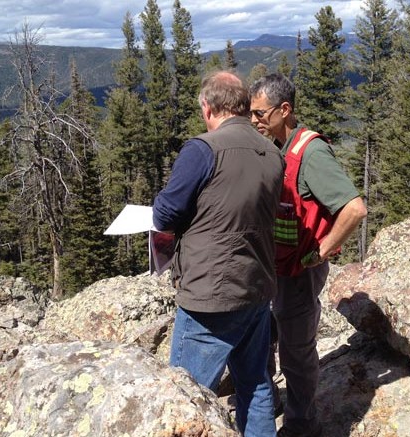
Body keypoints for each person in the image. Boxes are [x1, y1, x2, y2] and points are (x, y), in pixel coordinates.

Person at [153, 70, 285, 437]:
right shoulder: (273, 154)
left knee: (185, 393)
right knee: (257, 387)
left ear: (208, 107)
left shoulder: (203, 149)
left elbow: (165, 214)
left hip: (210, 295)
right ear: (244, 107)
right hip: (256, 287)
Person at [249, 73, 368, 437]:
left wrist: (324, 250)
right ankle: (266, 406)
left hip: (299, 272)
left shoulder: (312, 152)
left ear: (284, 110)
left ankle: (302, 426)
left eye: (259, 113)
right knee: (262, 336)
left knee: (296, 352)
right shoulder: (276, 146)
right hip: (276, 268)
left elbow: (355, 209)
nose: (253, 120)